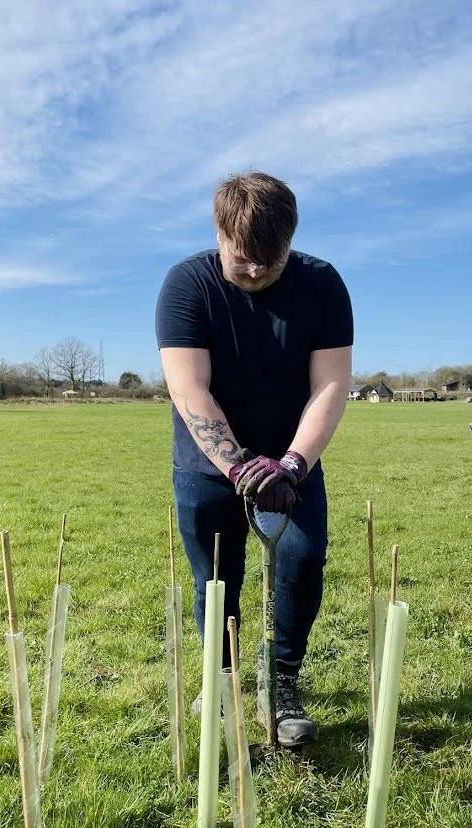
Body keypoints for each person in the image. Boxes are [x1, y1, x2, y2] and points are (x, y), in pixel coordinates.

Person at [155, 172, 353, 746]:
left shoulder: (322, 285)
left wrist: (292, 464)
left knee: (302, 560)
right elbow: (190, 388)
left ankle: (282, 681)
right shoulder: (186, 285)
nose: (257, 270)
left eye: (272, 259)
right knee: (215, 579)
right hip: (208, 464)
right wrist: (238, 466)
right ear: (219, 233)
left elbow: (331, 385)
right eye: (243, 258)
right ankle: (222, 677)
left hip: (294, 460)